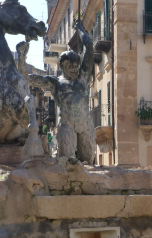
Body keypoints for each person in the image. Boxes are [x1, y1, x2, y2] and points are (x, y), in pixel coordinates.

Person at [28, 20, 96, 164]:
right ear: (62, 66)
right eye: (69, 66)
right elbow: (31, 79)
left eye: (75, 66)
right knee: (67, 163)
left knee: (89, 162)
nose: (73, 69)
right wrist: (21, 60)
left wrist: (80, 28)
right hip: (66, 124)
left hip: (85, 123)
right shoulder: (56, 82)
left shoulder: (83, 77)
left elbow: (89, 46)